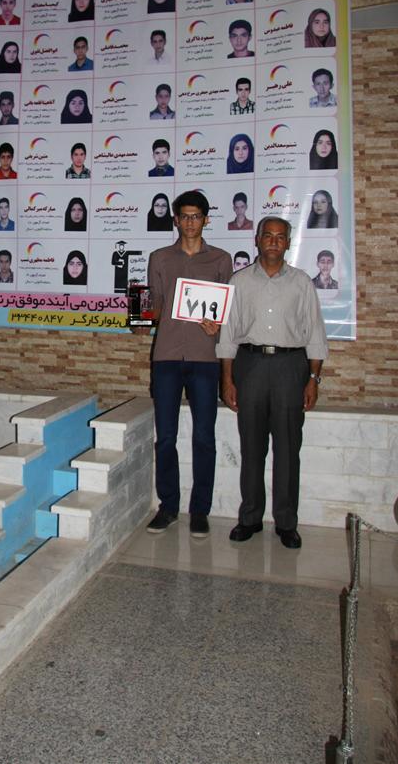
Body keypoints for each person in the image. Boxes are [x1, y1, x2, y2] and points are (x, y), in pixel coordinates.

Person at [218, 216, 328, 549]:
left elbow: (315, 333)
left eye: (281, 237)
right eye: (268, 235)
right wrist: (227, 379)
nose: (274, 242)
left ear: (288, 243)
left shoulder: (301, 283)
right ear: (257, 239)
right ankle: (250, 517)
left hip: (290, 367)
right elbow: (228, 334)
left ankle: (286, 522)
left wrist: (313, 379)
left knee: (288, 449)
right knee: (252, 447)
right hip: (249, 365)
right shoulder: (239, 281)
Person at [146, 190, 233, 536]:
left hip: (204, 358)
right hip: (166, 356)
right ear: (176, 220)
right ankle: (168, 506)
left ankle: (200, 510)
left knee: (204, 437)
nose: (190, 222)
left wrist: (217, 326)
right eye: (184, 216)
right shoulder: (160, 258)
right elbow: (154, 306)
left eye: (196, 216)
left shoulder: (221, 260)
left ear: (206, 220)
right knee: (165, 437)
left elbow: (226, 312)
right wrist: (139, 315)